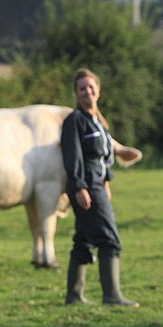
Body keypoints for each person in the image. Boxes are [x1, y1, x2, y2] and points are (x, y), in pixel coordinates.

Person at [61, 68, 139, 308]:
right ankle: (112, 296)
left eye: (91, 87)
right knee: (109, 239)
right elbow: (73, 157)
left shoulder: (99, 123)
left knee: (84, 239)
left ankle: (74, 296)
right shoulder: (75, 121)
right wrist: (79, 187)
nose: (88, 92)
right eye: (82, 88)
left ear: (98, 90)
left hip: (98, 184)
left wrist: (106, 183)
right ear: (76, 93)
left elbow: (104, 159)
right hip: (86, 186)